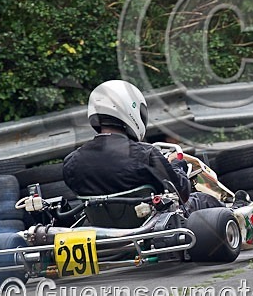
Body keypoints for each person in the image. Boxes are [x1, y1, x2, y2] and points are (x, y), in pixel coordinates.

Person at [63, 80, 226, 213]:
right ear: (130, 110)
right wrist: (177, 165)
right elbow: (181, 193)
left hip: (100, 230)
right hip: (147, 226)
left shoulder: (71, 162)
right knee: (203, 200)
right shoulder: (146, 155)